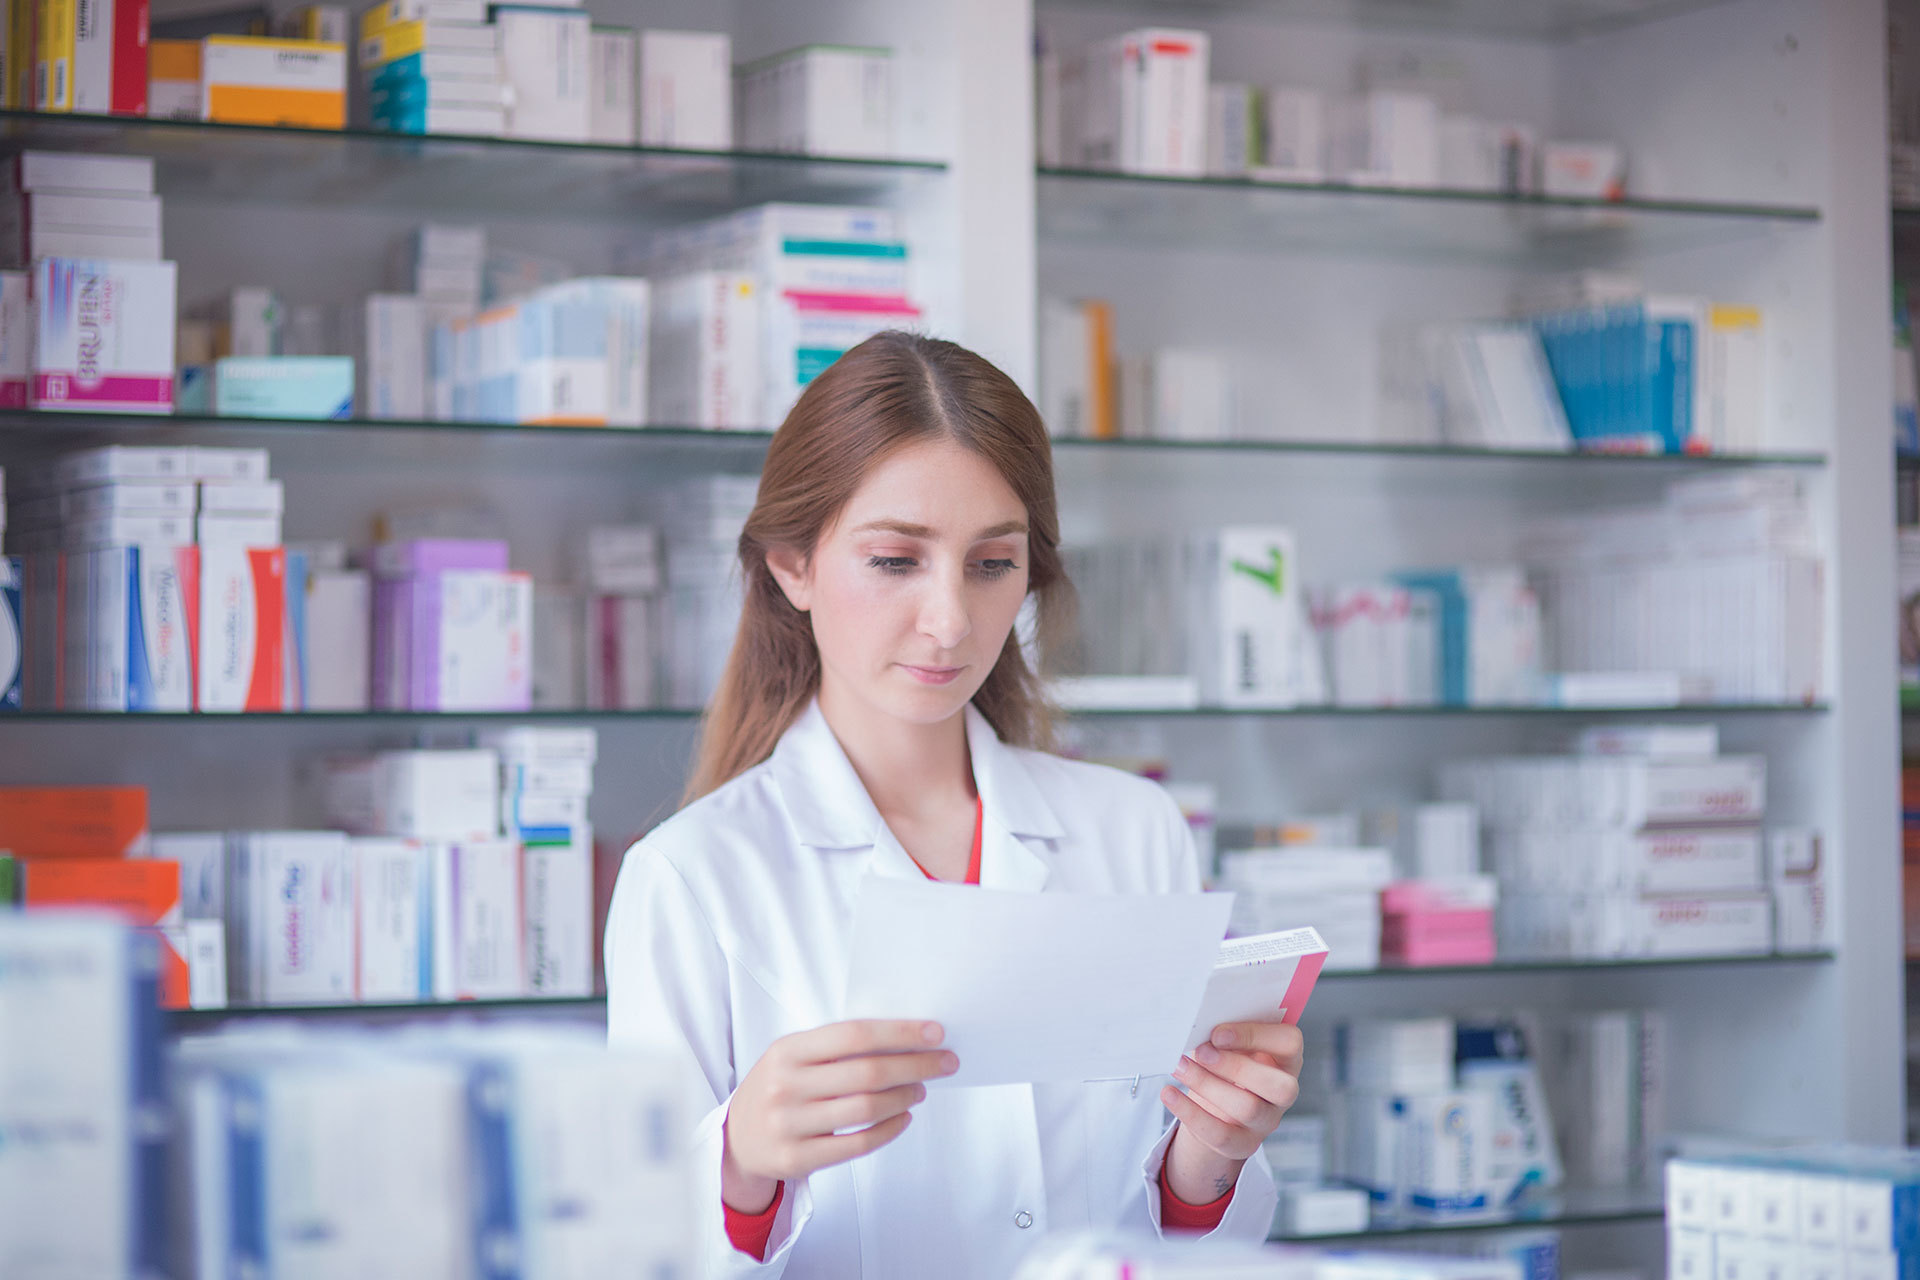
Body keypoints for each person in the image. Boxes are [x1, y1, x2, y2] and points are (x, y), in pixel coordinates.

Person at [605, 331, 1303, 1279]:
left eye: (990, 565)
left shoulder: (1130, 832)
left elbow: (1171, 1241)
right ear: (792, 566)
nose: (951, 621)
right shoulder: (693, 877)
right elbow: (633, 1250)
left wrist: (1209, 1162)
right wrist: (739, 1166)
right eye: (896, 560)